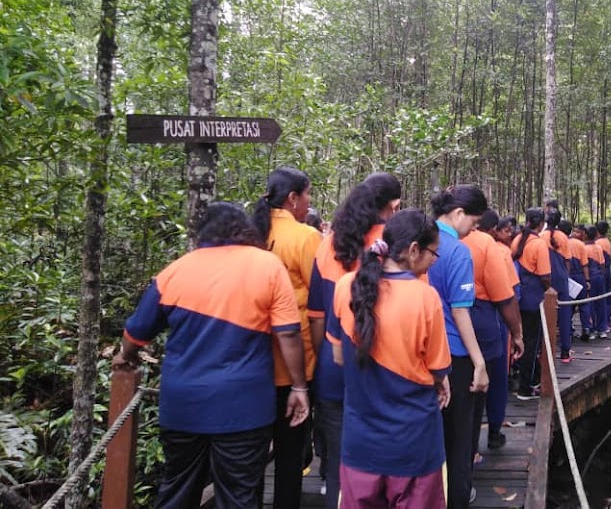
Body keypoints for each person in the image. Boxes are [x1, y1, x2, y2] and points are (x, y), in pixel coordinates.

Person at [113, 202, 310, 508]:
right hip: (243, 408)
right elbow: (287, 333)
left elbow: (136, 334)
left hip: (183, 405)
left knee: (178, 488)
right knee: (238, 495)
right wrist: (299, 386)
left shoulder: (175, 270)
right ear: (244, 229)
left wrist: (125, 356)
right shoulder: (268, 266)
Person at [328, 209, 451, 508]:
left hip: (361, 442)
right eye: (433, 253)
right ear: (413, 250)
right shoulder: (424, 297)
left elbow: (339, 357)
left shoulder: (346, 286)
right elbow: (437, 367)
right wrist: (442, 382)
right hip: (413, 443)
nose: (434, 260)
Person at [307, 173, 401, 505]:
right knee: (383, 464)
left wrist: (322, 363)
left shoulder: (327, 244)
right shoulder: (396, 245)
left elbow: (317, 316)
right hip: (384, 371)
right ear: (394, 206)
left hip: (335, 368)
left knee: (339, 466)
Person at [252, 166, 322, 509]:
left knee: (249, 452)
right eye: (308, 194)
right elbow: (319, 300)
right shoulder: (306, 237)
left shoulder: (250, 232)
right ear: (293, 198)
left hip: (253, 361)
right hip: (296, 364)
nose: (310, 202)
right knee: (291, 452)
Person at [428, 185, 490, 509]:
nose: (473, 230)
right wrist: (479, 362)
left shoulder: (416, 240)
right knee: (459, 437)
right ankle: (456, 497)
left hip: (419, 354)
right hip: (453, 355)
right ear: (458, 214)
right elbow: (460, 310)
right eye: (474, 222)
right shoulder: (456, 250)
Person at [463, 209, 523, 453]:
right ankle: (494, 432)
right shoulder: (495, 249)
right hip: (490, 318)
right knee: (495, 378)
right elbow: (509, 294)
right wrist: (517, 333)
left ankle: (466, 447)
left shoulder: (446, 240)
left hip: (456, 319)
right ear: (494, 229)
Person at [511, 208, 550, 399]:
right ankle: (525, 387)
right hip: (533, 299)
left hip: (517, 298)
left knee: (519, 338)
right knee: (531, 343)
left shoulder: (517, 239)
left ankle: (522, 379)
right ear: (541, 223)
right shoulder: (539, 244)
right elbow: (545, 276)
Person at [540, 208, 573, 362]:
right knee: (565, 315)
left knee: (544, 314)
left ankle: (543, 352)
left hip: (546, 278)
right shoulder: (563, 237)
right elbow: (568, 261)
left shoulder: (541, 236)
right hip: (561, 279)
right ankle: (565, 352)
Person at [566, 222, 592, 342]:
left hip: (568, 277)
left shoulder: (562, 242)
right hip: (579, 276)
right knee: (584, 304)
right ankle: (586, 328)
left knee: (568, 305)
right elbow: (585, 264)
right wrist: (587, 280)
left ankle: (568, 331)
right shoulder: (580, 245)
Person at [585, 226, 608, 337]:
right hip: (599, 277)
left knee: (590, 303)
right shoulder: (598, 247)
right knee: (601, 302)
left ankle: (592, 329)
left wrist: (587, 280)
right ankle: (602, 329)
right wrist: (602, 276)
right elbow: (602, 264)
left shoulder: (584, 248)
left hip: (590, 278)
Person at [596, 221, 611, 331]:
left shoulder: (598, 243)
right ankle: (608, 320)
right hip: (607, 270)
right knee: (608, 297)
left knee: (601, 297)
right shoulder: (606, 241)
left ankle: (602, 323)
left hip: (600, 271)